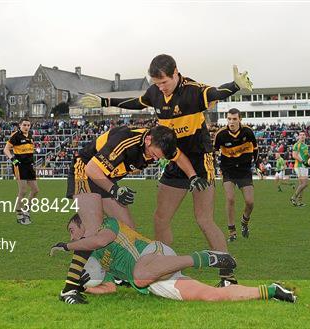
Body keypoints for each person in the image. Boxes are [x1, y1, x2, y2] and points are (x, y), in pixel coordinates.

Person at [80, 54, 253, 286]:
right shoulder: (155, 93)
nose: (160, 88)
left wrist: (234, 86)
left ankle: (227, 277)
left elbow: (214, 93)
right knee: (161, 218)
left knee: (204, 219)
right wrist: (105, 102)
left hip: (200, 160)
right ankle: (168, 271)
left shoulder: (192, 90)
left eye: (164, 82)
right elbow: (136, 102)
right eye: (156, 83)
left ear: (176, 73)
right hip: (173, 160)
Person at [60, 125, 199, 299]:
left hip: (105, 177)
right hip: (85, 170)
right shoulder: (126, 140)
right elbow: (91, 169)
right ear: (148, 140)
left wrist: (193, 176)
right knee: (93, 230)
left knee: (128, 229)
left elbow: (178, 157)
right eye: (155, 154)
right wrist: (115, 191)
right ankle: (69, 288)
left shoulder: (162, 142)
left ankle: (115, 277)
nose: (157, 158)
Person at [51, 214, 296, 304]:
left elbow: (100, 240)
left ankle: (202, 257)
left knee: (139, 275)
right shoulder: (96, 258)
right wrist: (84, 287)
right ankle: (273, 291)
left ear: (84, 223)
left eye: (72, 230)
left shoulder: (106, 225)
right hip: (155, 280)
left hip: (153, 256)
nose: (71, 236)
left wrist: (67, 246)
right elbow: (110, 288)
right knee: (213, 296)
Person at [213, 108, 258, 242]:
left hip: (244, 171)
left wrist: (257, 164)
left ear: (240, 119)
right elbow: (213, 151)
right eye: (229, 119)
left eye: (234, 119)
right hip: (228, 170)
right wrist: (215, 165)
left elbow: (255, 149)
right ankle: (232, 231)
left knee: (250, 202)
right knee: (230, 199)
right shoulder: (220, 134)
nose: (231, 122)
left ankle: (244, 222)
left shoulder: (248, 132)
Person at [3, 118, 39, 225]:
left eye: (28, 125)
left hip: (29, 166)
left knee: (35, 190)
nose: (26, 127)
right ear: (20, 125)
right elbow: (6, 149)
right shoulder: (15, 135)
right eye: (24, 125)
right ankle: (19, 214)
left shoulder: (30, 136)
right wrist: (13, 159)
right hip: (20, 166)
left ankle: (26, 210)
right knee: (23, 191)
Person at [290, 132, 309, 207]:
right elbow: (294, 155)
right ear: (298, 136)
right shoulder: (297, 145)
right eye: (301, 135)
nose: (302, 136)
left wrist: (309, 160)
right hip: (299, 166)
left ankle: (299, 201)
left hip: (304, 166)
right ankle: (293, 197)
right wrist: (303, 161)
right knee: (304, 184)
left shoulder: (306, 146)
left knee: (302, 184)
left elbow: (306, 156)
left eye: (304, 135)